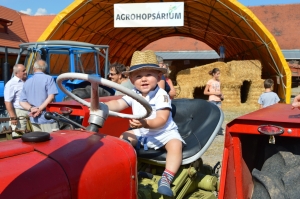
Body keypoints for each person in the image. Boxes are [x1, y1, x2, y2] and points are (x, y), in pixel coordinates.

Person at [104, 50, 185, 197]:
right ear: (132, 80)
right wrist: (103, 107)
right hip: (142, 132)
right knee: (123, 139)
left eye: (148, 75)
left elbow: (162, 119)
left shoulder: (162, 95)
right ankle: (131, 171)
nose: (143, 79)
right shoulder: (134, 93)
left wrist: (144, 123)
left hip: (163, 133)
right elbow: (118, 103)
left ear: (158, 76)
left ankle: (167, 178)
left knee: (175, 145)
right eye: (138, 76)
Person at [19, 60, 59, 132]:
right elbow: (51, 96)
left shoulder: (27, 81)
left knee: (39, 142)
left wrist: (31, 109)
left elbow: (22, 101)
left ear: (34, 68)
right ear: (45, 69)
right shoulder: (49, 78)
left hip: (34, 118)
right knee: (53, 140)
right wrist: (39, 109)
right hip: (47, 117)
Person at [4, 64, 28, 137]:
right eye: (23, 71)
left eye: (25, 70)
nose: (26, 72)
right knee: (18, 136)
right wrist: (13, 117)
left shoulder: (27, 81)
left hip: (30, 111)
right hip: (19, 112)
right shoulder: (11, 84)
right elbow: (8, 101)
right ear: (16, 73)